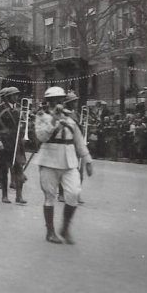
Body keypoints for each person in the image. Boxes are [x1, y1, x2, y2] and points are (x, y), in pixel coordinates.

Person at [34, 86, 94, 244]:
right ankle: (50, 232)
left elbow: (78, 140)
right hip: (49, 161)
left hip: (69, 161)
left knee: (73, 193)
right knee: (50, 196)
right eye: (54, 100)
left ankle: (65, 228)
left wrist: (87, 159)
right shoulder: (42, 116)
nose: (58, 102)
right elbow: (42, 137)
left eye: (60, 99)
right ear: (48, 101)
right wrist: (54, 118)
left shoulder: (69, 117)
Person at [0, 87, 27, 205]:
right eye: (13, 95)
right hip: (5, 144)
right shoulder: (0, 110)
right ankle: (5, 195)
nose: (16, 97)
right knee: (4, 170)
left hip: (17, 143)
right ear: (7, 97)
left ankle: (19, 196)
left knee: (19, 169)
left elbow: (22, 126)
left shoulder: (19, 109)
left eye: (17, 94)